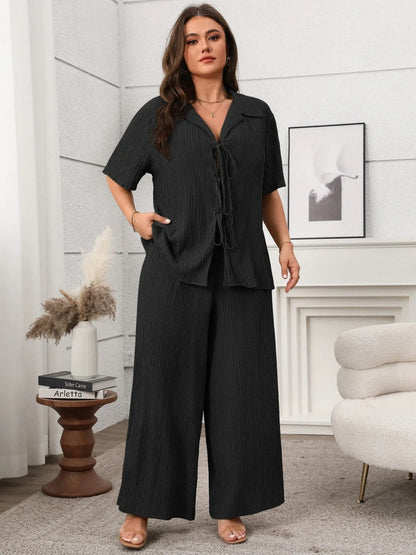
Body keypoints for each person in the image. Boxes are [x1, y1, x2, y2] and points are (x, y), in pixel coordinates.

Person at [102, 3, 300, 549]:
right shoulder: (159, 113)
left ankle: (230, 505)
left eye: (213, 37)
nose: (204, 46)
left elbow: (266, 190)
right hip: (172, 269)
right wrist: (135, 217)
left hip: (242, 273)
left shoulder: (256, 115)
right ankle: (142, 507)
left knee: (240, 390)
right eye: (192, 40)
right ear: (181, 52)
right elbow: (118, 175)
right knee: (162, 390)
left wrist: (284, 244)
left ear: (227, 47)